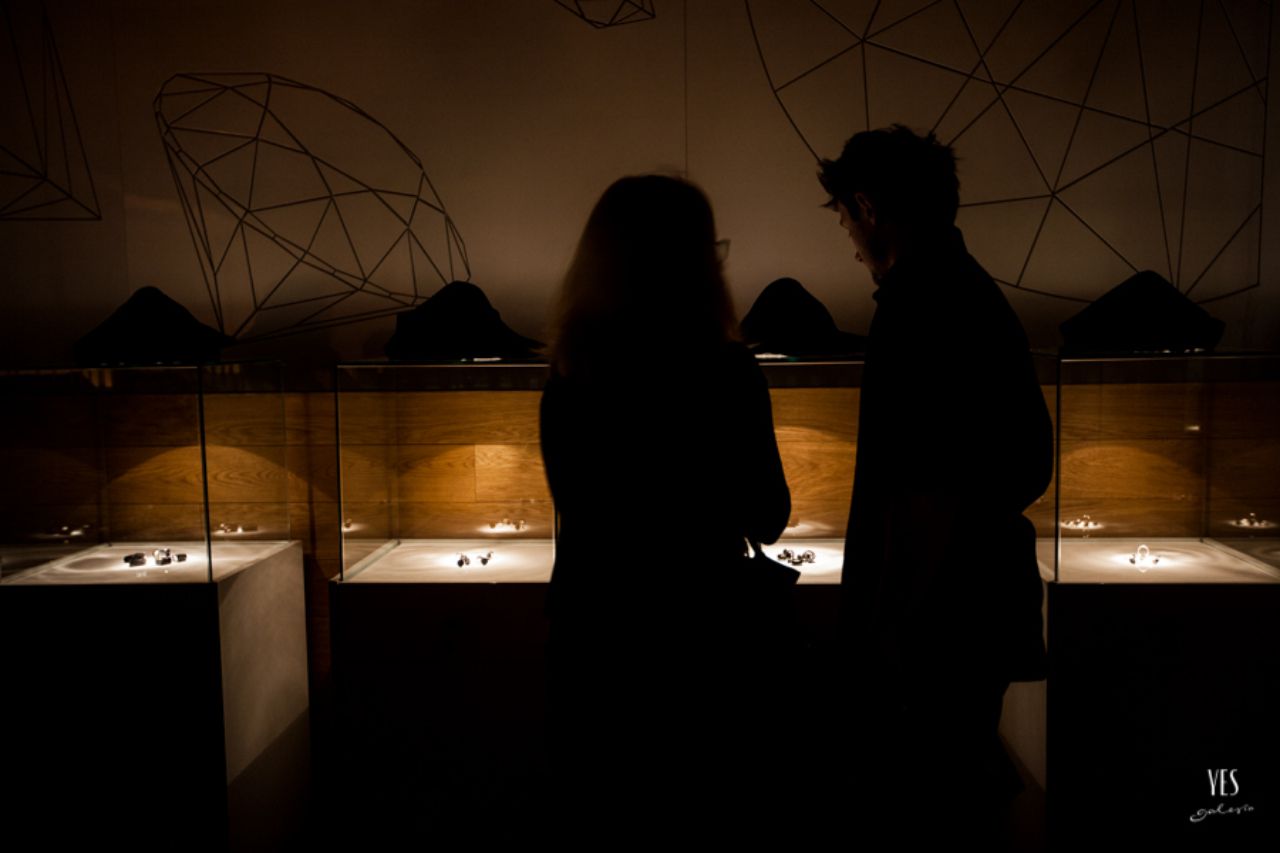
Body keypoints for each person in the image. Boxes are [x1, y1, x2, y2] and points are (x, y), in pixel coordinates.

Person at [539, 175, 792, 841]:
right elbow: (768, 515)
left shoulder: (569, 372)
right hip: (702, 638)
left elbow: (577, 506)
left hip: (594, 634)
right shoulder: (728, 372)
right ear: (697, 263)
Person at [818, 126, 1053, 841]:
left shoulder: (917, 307)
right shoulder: (969, 291)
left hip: (933, 624)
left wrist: (884, 629)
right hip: (972, 611)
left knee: (925, 812)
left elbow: (914, 492)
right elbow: (1026, 461)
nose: (850, 242)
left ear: (867, 207)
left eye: (845, 220)